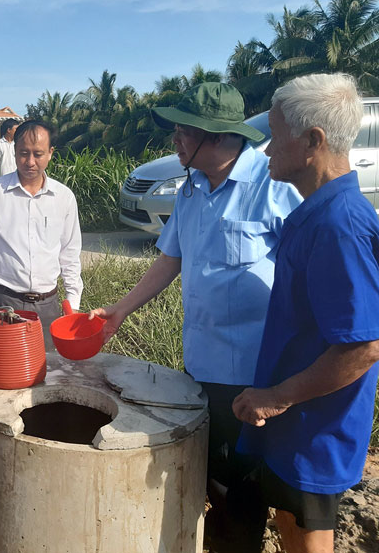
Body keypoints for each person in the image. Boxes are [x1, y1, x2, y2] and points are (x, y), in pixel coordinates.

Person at [88, 83, 301, 553]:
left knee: (242, 482)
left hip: (253, 370)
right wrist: (120, 310)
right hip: (200, 362)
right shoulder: (191, 190)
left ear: (219, 138)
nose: (176, 141)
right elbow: (170, 260)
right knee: (213, 473)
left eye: (184, 132)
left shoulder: (273, 186)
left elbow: (307, 271)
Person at [233, 73, 379, 553]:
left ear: (313, 141)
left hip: (317, 426)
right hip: (297, 420)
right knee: (291, 525)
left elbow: (363, 346)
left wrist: (277, 395)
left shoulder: (340, 227)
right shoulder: (316, 211)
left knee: (310, 535)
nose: (268, 150)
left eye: (276, 136)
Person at [0, 119, 82, 351]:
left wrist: (72, 301)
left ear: (51, 153)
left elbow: (70, 253)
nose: (30, 162)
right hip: (3, 302)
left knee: (48, 372)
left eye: (38, 154)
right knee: (5, 372)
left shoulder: (64, 197)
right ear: (14, 151)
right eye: (23, 153)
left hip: (48, 305)